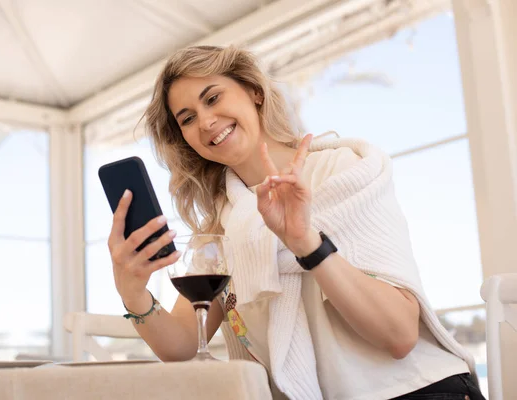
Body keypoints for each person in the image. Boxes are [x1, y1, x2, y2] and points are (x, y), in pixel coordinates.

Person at [107, 45, 485, 400]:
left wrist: (305, 242)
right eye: (187, 119)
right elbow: (184, 344)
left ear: (254, 92)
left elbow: (400, 336)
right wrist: (133, 293)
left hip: (420, 390)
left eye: (213, 97)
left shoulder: (342, 172)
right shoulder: (226, 223)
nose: (205, 122)